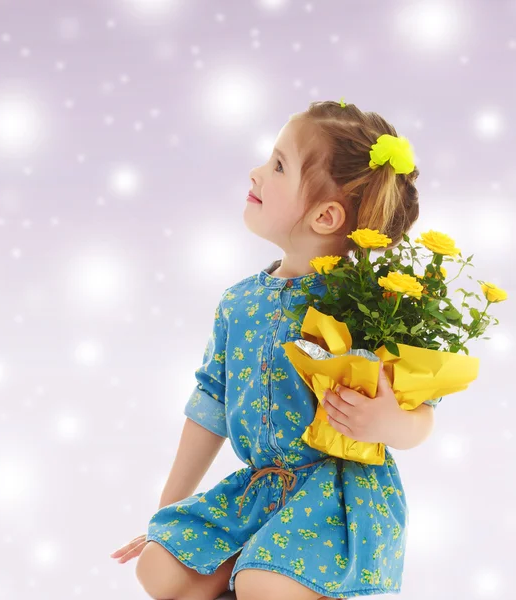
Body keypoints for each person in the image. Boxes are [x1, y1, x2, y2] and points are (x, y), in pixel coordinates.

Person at [110, 100, 441, 600]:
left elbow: (422, 414)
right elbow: (210, 406)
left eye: (279, 165)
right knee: (158, 568)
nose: (257, 172)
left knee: (263, 584)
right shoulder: (239, 302)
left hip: (340, 500)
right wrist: (168, 514)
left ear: (325, 215)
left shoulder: (369, 304)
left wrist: (389, 423)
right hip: (260, 491)